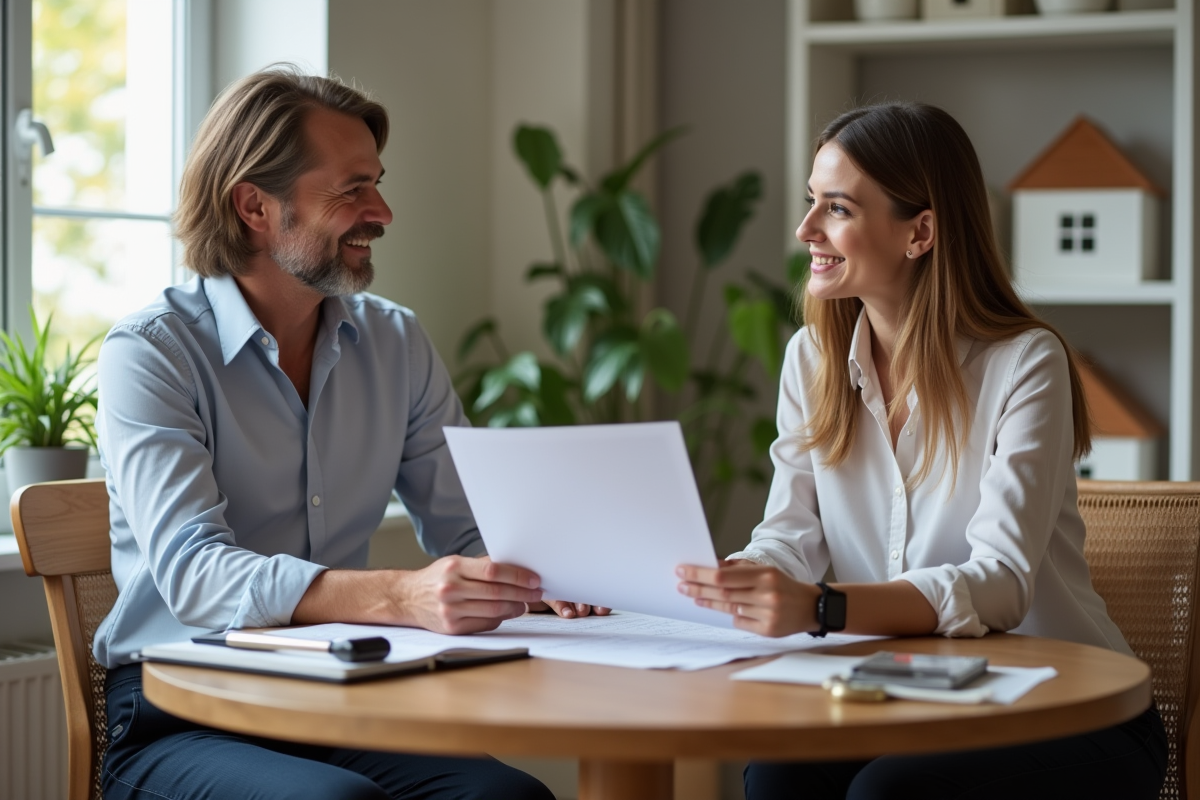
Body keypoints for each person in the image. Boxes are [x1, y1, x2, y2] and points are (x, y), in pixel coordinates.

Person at [93, 66, 585, 800]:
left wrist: (558, 578)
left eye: (377, 183)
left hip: (333, 701)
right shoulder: (152, 353)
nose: (381, 210)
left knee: (507, 797)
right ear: (255, 207)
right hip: (183, 712)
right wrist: (399, 596)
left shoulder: (395, 341)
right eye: (351, 189)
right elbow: (195, 576)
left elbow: (470, 527)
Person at [675, 102, 1168, 799]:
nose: (805, 229)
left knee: (893, 791)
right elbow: (790, 535)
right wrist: (742, 580)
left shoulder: (1025, 363)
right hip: (907, 697)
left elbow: (998, 583)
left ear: (921, 232)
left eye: (837, 208)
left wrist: (822, 608)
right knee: (777, 773)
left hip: (1070, 712)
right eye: (811, 202)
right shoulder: (812, 357)